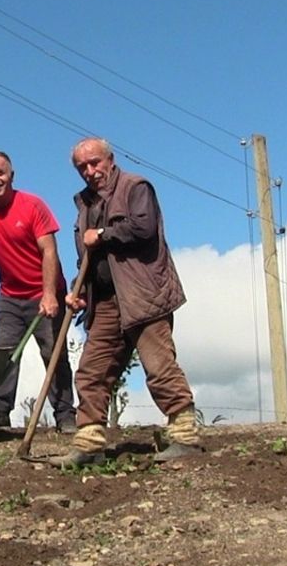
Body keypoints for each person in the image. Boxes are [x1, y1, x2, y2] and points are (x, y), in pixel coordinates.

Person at [50, 137, 201, 467]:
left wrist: (102, 234)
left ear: (110, 160)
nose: (90, 171)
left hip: (143, 295)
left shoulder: (136, 186)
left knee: (159, 366)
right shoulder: (85, 206)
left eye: (95, 163)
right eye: (82, 167)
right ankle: (89, 445)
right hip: (104, 301)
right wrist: (79, 291)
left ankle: (185, 437)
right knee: (92, 371)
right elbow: (88, 259)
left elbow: (143, 228)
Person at [0, 151, 77, 434]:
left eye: (0, 173)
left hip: (44, 292)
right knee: (5, 355)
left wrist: (49, 295)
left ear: (11, 175)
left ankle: (65, 415)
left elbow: (49, 251)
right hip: (10, 297)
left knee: (53, 354)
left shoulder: (33, 206)